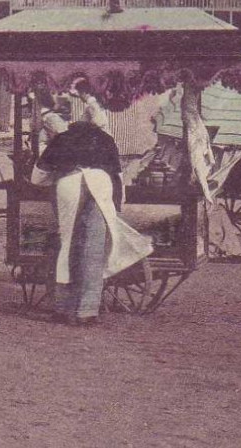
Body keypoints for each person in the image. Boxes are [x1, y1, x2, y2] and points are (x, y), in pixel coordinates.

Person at [33, 119, 153, 326]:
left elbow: (37, 177)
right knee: (94, 248)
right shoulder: (106, 139)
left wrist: (55, 178)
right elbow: (118, 176)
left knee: (67, 242)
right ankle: (87, 311)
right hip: (101, 183)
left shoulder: (61, 138)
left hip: (69, 183)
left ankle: (62, 308)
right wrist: (117, 205)